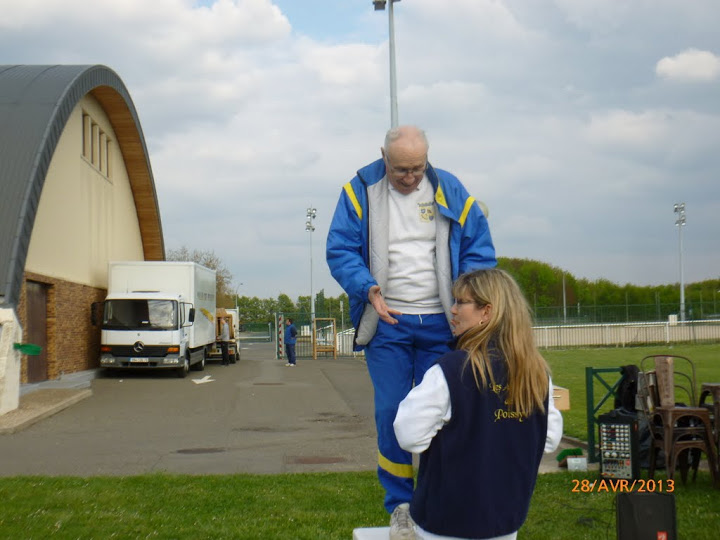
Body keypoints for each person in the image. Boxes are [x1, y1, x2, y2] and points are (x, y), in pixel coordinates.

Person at [326, 125, 496, 537]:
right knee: (392, 413)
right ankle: (401, 505)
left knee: (445, 413)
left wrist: (466, 298)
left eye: (417, 168)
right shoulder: (358, 192)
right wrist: (367, 288)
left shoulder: (451, 190)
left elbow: (479, 250)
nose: (410, 177)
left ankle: (440, 500)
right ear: (383, 156)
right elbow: (340, 249)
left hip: (443, 324)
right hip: (387, 322)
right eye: (401, 169)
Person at [393, 268, 563, 540]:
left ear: (487, 311)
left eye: (461, 302)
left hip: (446, 522)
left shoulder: (451, 370)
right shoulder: (536, 373)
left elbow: (409, 434)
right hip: (506, 520)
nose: (453, 309)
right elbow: (549, 438)